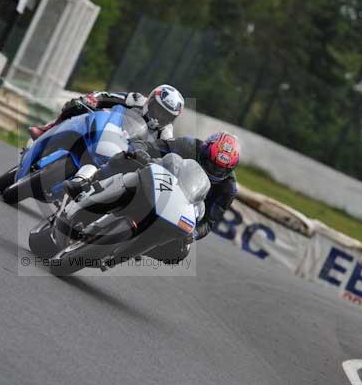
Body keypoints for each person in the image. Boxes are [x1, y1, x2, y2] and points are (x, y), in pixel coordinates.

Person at [65, 131, 240, 262]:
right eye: (211, 163)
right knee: (127, 158)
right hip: (157, 181)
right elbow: (154, 146)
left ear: (230, 169)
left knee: (179, 252)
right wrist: (140, 151)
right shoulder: (188, 145)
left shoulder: (227, 189)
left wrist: (192, 235)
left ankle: (136, 248)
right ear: (205, 150)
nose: (214, 170)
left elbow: (209, 221)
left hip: (178, 210)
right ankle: (88, 182)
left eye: (220, 169)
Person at [29, 85, 184, 141]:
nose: (159, 117)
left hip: (124, 156)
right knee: (77, 105)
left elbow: (167, 153)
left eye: (166, 116)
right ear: (150, 101)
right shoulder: (137, 100)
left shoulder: (166, 134)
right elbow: (107, 96)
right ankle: (48, 129)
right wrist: (92, 100)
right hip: (107, 131)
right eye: (158, 110)